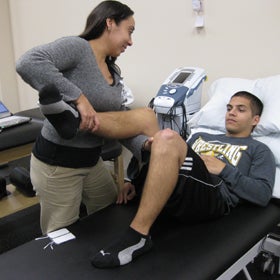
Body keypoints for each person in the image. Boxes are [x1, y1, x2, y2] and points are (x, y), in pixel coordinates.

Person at [16, 0, 159, 235]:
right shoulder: (78, 48)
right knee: (61, 235)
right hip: (57, 164)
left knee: (110, 215)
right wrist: (79, 98)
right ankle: (66, 114)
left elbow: (117, 121)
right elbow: (27, 63)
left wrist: (142, 145)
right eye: (129, 31)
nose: (131, 42)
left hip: (92, 161)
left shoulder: (113, 70)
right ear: (110, 23)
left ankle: (69, 116)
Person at [90, 91, 276, 268]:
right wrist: (135, 181)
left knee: (168, 136)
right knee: (154, 129)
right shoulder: (200, 136)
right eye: (229, 108)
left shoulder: (258, 149)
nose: (231, 113)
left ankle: (138, 235)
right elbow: (167, 159)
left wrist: (224, 169)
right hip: (183, 184)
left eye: (240, 109)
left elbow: (262, 194)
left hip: (213, 194)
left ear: (255, 120)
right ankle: (89, 119)